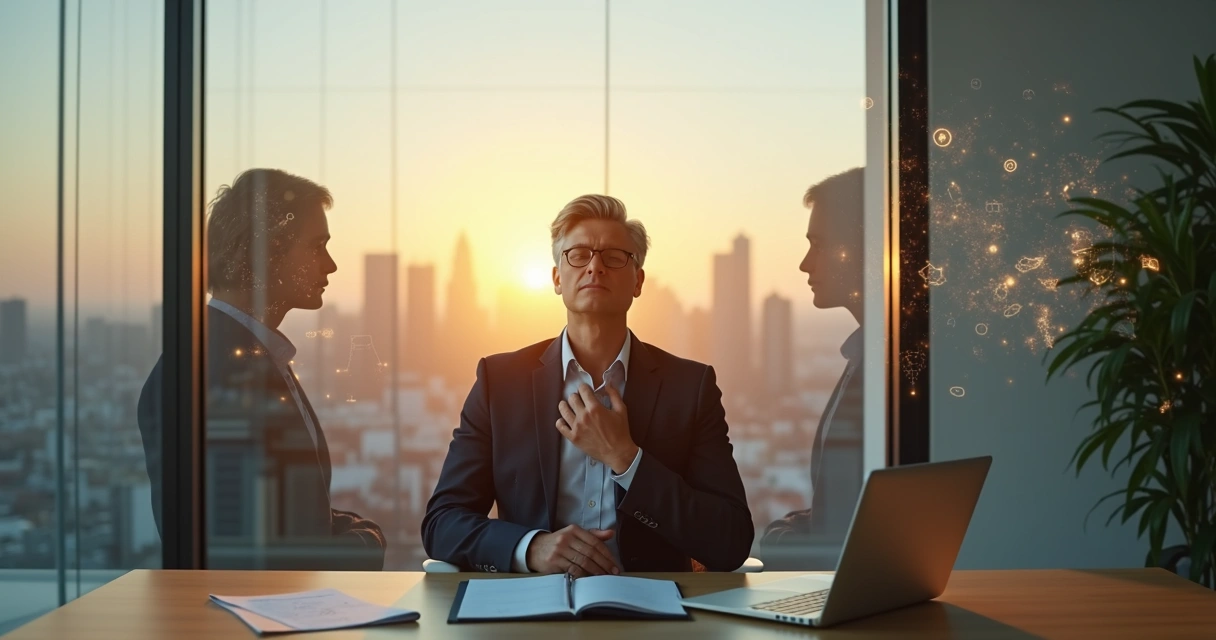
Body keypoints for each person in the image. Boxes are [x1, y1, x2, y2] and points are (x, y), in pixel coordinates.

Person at [422, 195, 753, 575]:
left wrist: (626, 459)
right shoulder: (500, 382)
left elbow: (731, 540)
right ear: (557, 277)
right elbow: (442, 524)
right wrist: (531, 549)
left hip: (652, 611)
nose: (595, 266)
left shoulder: (690, 388)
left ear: (638, 281)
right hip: (530, 610)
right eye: (578, 254)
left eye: (614, 256)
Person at [137, 168, 385, 570]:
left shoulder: (238, 359)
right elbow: (239, 551)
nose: (331, 265)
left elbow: (279, 517)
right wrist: (365, 544)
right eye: (317, 246)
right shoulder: (215, 375)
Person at [760, 168, 865, 570]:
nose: (805, 264)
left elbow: (849, 541)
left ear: (863, 245)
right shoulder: (866, 358)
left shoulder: (886, 372)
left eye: (818, 244)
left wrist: (778, 541)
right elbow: (845, 515)